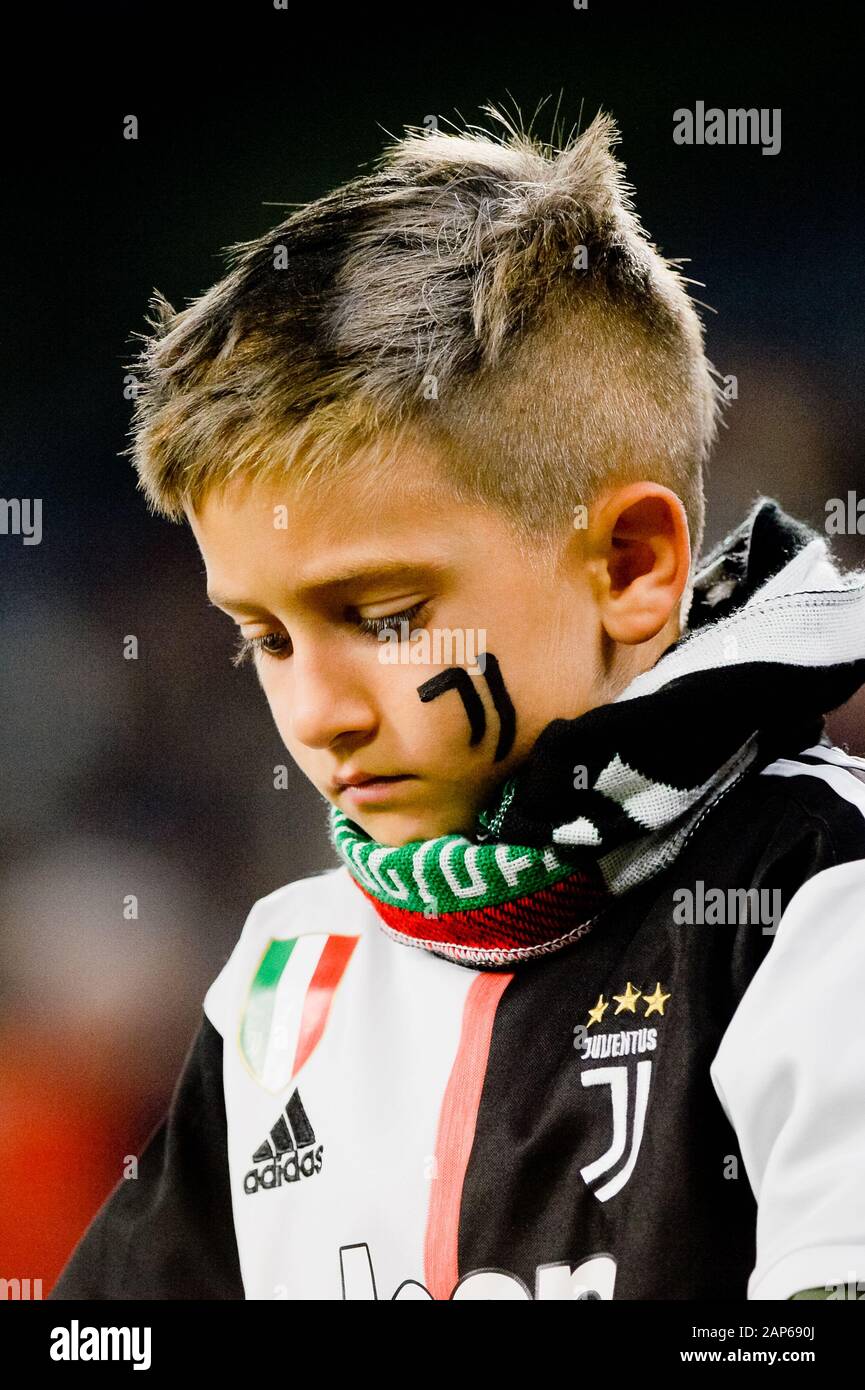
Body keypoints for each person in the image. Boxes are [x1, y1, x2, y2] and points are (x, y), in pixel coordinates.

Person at [50, 105, 865, 1301]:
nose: (317, 712)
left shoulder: (811, 898)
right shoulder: (282, 970)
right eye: (265, 637)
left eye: (382, 615)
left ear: (631, 566)